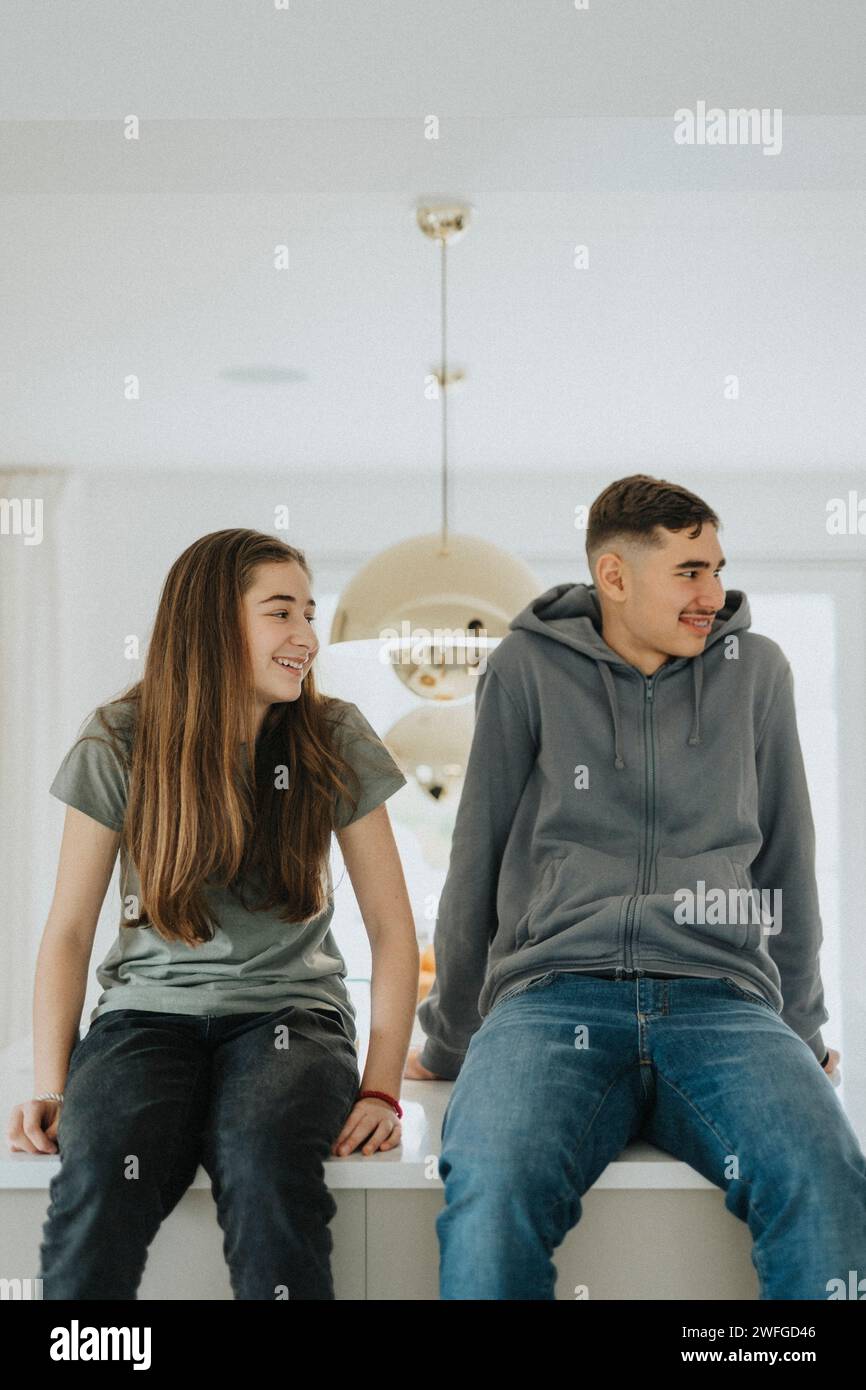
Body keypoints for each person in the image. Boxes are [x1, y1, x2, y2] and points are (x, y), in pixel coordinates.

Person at [407, 473, 866, 1300]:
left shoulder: (756, 670)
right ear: (614, 576)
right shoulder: (524, 668)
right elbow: (474, 856)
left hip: (723, 1002)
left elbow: (786, 864)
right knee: (490, 1189)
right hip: (551, 999)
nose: (713, 594)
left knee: (828, 1178)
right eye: (689, 571)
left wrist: (800, 1026)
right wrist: (449, 1039)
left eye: (717, 569)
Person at [6, 528, 418, 1300]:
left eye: (310, 613)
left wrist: (380, 1088)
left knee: (263, 1160)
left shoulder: (334, 738)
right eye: (282, 613)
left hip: (289, 1018)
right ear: (211, 624)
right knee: (98, 1184)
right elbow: (67, 932)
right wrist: (55, 1088)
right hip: (143, 1020)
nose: (307, 637)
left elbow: (395, 933)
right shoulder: (119, 741)